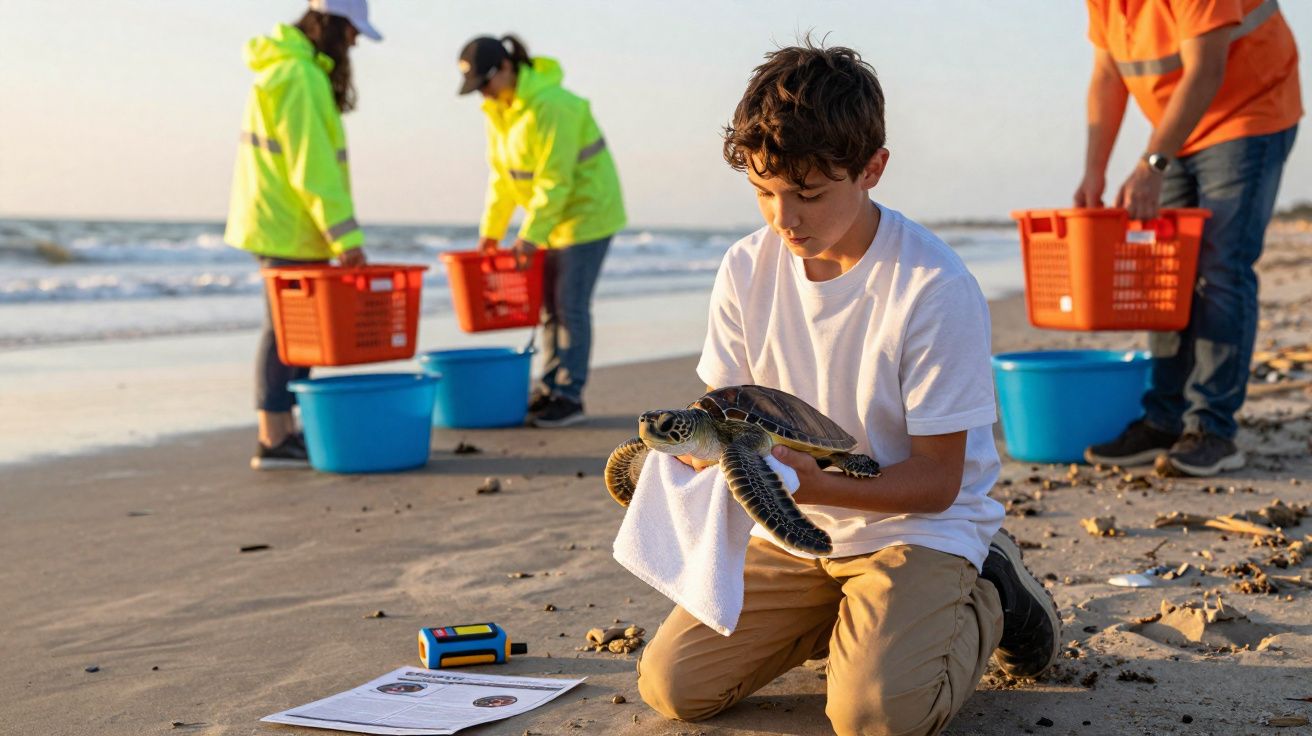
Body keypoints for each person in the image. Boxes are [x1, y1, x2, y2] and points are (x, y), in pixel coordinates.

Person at [635, 42, 1060, 736]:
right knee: (673, 686)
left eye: (808, 194)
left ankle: (991, 590)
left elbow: (937, 482)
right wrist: (686, 456)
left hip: (916, 527)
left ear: (872, 169)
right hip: (796, 529)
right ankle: (859, 622)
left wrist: (811, 485)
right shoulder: (745, 269)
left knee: (874, 718)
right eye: (765, 192)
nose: (784, 218)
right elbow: (721, 417)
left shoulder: (932, 287)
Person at [1077, 0, 1300, 477]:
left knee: (1222, 265)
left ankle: (1212, 429)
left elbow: (1206, 68)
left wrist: (1152, 163)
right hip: (1181, 127)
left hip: (1250, 112)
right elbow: (1107, 76)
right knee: (1168, 274)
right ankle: (1163, 419)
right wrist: (1094, 171)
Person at [224, 0, 380, 469]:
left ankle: (283, 433)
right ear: (331, 23)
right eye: (353, 29)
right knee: (286, 332)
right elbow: (312, 169)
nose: (355, 40)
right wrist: (345, 239)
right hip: (288, 226)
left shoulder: (290, 69)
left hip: (282, 222)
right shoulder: (300, 76)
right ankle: (273, 437)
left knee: (295, 332)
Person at [457, 35, 626, 428]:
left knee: (569, 303)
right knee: (549, 304)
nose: (481, 94)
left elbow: (555, 181)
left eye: (484, 83)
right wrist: (491, 231)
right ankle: (551, 386)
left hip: (588, 213)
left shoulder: (552, 106)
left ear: (504, 69)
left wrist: (530, 235)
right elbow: (503, 177)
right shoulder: (500, 111)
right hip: (552, 218)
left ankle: (569, 395)